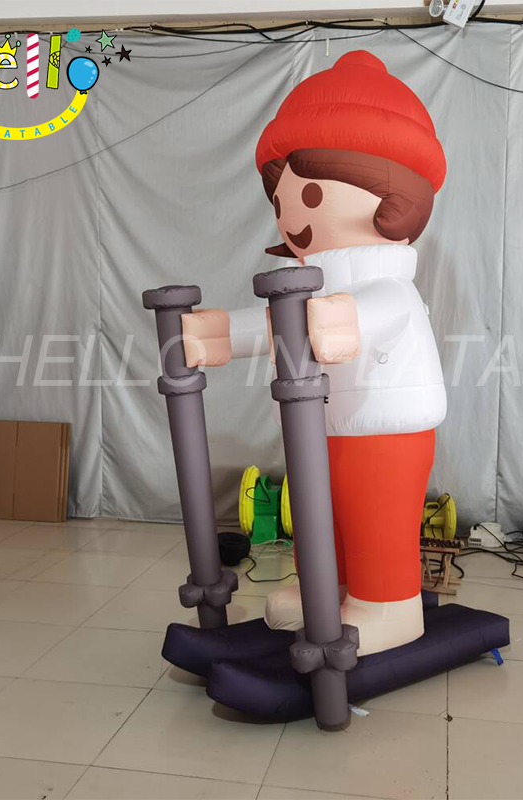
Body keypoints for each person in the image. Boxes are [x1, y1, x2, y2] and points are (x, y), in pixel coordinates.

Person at [182, 51, 447, 655]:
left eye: (309, 193)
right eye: (283, 199)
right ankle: (324, 589)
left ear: (392, 194)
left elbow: (357, 315)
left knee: (374, 515)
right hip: (321, 426)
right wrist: (221, 333)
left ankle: (389, 606)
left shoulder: (389, 289)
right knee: (319, 514)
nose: (291, 215)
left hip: (386, 431)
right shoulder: (318, 291)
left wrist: (336, 320)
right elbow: (288, 323)